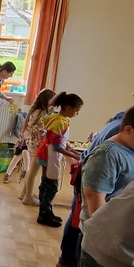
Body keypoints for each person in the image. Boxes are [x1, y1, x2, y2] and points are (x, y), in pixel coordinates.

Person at [59, 87, 134, 267]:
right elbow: (96, 203)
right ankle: (68, 259)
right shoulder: (108, 154)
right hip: (110, 240)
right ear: (129, 129)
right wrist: (111, 241)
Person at [36, 93, 83, 228]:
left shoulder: (58, 118)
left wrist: (71, 149)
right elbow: (56, 146)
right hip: (50, 156)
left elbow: (61, 141)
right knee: (51, 186)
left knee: (46, 184)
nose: (77, 113)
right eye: (76, 110)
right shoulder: (59, 122)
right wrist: (73, 155)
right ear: (68, 108)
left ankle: (46, 210)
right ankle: (44, 212)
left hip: (47, 154)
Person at [9, 88, 56, 199]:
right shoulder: (42, 113)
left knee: (31, 170)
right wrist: (43, 143)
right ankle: (28, 196)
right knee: (33, 172)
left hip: (32, 143)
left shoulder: (37, 111)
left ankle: (24, 193)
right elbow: (40, 131)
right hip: (37, 145)